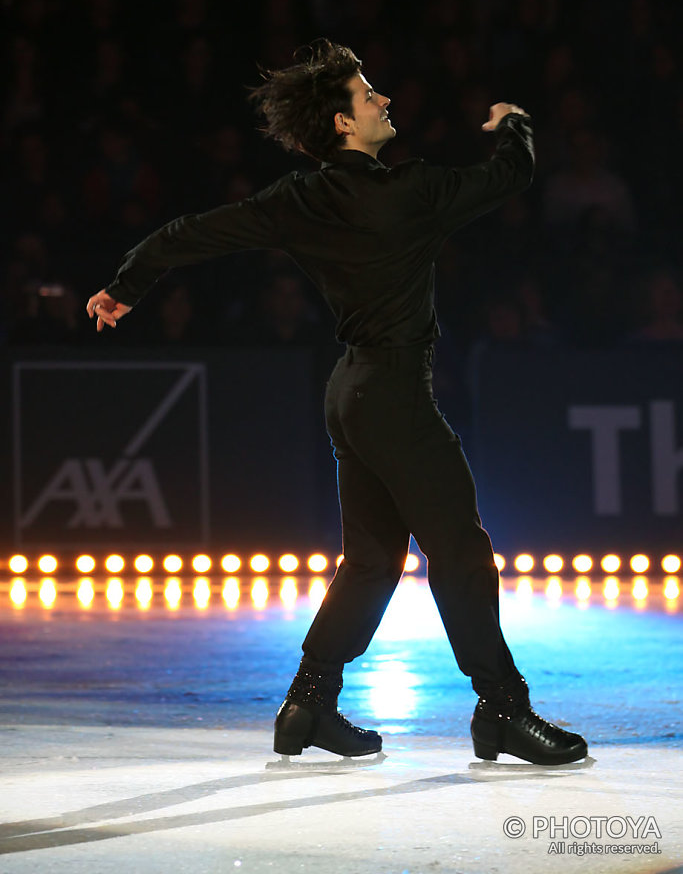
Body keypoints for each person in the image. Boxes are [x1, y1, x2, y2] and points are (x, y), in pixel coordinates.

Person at [86, 39, 588, 766]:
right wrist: (515, 121)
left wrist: (127, 285)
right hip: (393, 395)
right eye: (368, 94)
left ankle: (307, 707)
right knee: (459, 549)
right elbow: (511, 175)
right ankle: (504, 711)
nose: (383, 100)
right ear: (343, 124)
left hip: (349, 393)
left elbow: (193, 232)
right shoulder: (407, 194)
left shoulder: (300, 198)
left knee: (372, 561)